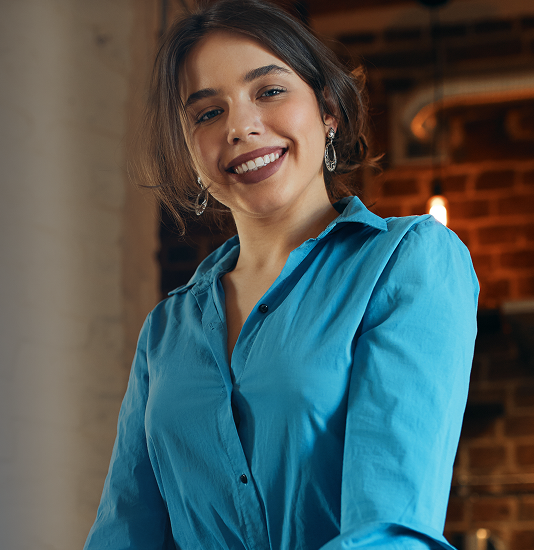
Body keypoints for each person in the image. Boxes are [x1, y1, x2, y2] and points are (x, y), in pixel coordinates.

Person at [84, 1, 478, 549]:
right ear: (192, 150)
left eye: (269, 91)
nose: (241, 127)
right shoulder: (166, 330)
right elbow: (123, 535)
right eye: (207, 113)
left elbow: (389, 533)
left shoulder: (407, 263)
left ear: (329, 110)